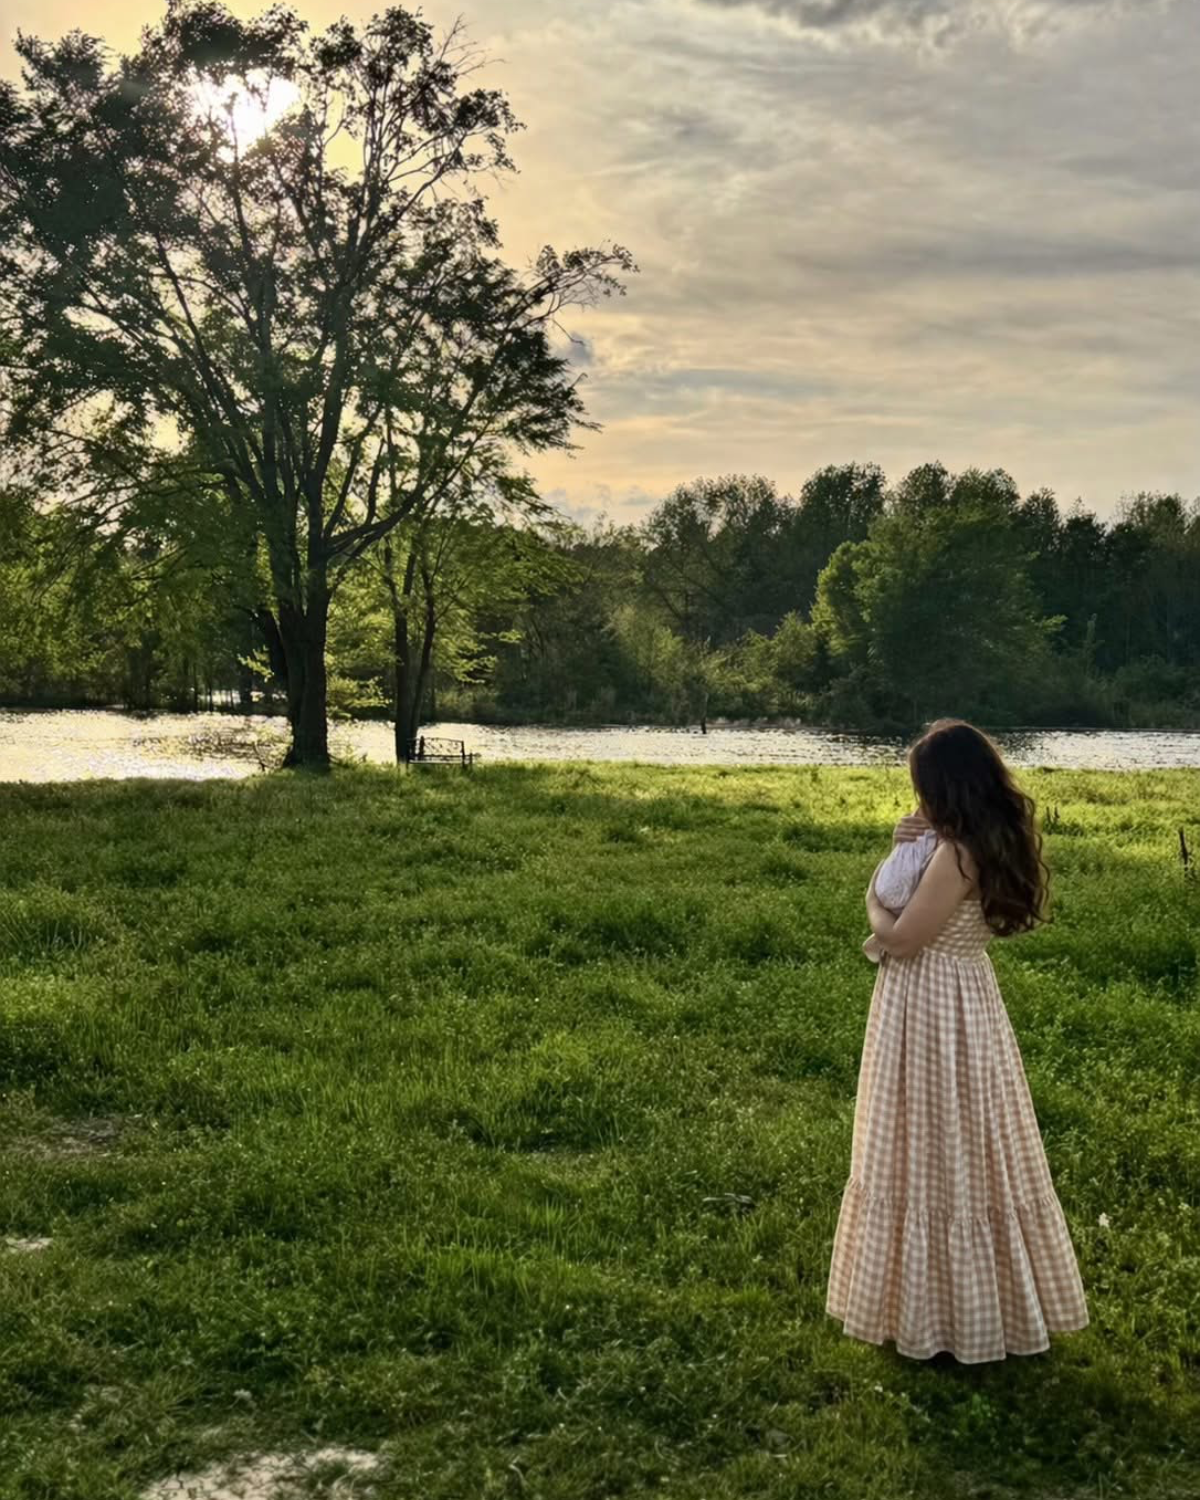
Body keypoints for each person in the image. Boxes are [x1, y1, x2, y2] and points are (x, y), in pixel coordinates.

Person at [826, 718, 1089, 1363]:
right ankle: (949, 1304)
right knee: (952, 1142)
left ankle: (950, 1317)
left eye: (924, 787)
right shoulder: (965, 841)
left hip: (934, 1004)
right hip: (954, 1002)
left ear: (948, 786)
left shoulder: (960, 852)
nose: (919, 798)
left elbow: (904, 937)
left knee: (940, 1144)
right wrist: (899, 848)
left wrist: (871, 901)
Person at [861, 825, 939, 963]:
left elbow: (898, 944)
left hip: (927, 970)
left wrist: (872, 900)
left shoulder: (952, 852)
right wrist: (901, 850)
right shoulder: (954, 846)